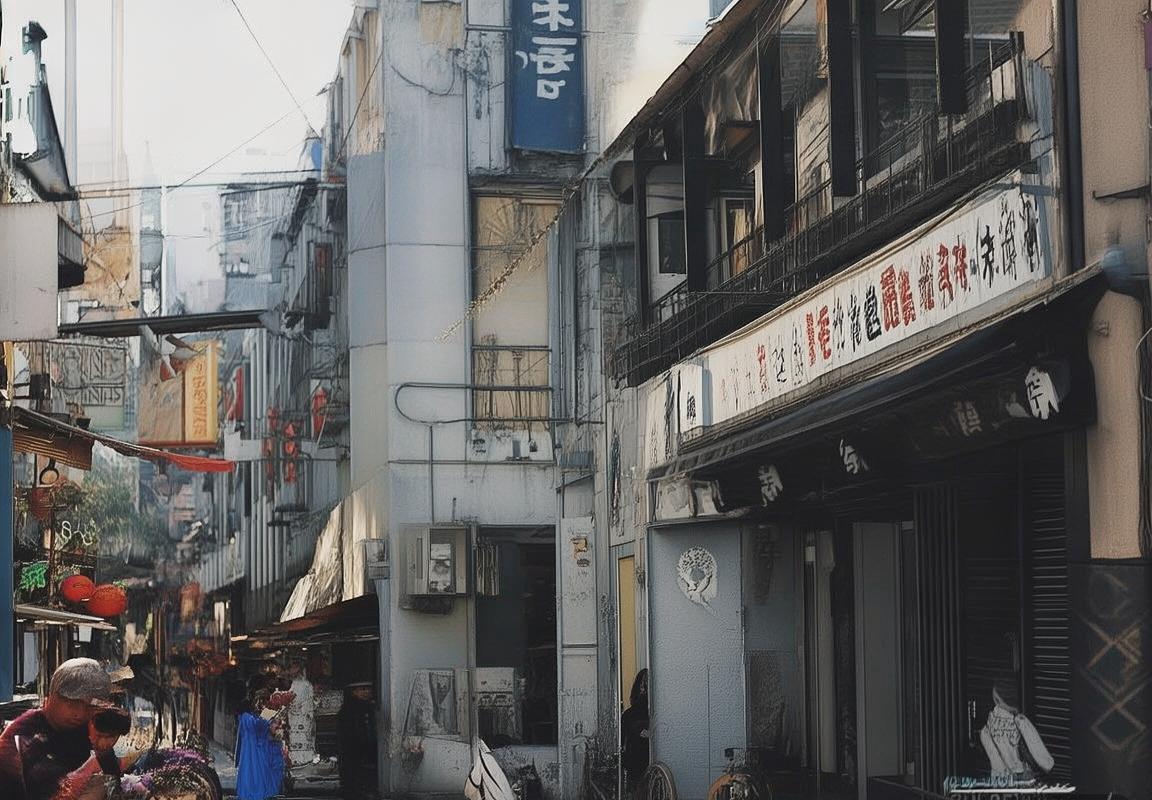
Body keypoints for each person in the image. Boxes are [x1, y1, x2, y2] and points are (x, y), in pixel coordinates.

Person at [0, 658, 125, 800]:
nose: (80, 713)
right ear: (52, 696)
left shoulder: (82, 727)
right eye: (72, 704)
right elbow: (55, 795)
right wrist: (93, 764)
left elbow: (114, 780)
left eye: (89, 706)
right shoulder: (24, 736)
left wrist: (103, 751)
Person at [235, 691, 284, 800]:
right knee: (255, 779)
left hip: (259, 753)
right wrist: (267, 716)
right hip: (254, 754)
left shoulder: (250, 717)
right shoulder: (246, 718)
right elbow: (258, 725)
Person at [336, 682, 377, 800]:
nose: (366, 692)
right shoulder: (350, 709)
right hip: (353, 747)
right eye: (362, 689)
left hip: (361, 747)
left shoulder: (368, 707)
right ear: (353, 692)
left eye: (368, 689)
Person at [620, 669, 650, 797]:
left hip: (642, 766)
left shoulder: (629, 715)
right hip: (637, 767)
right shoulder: (628, 715)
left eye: (645, 686)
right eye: (642, 685)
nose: (643, 690)